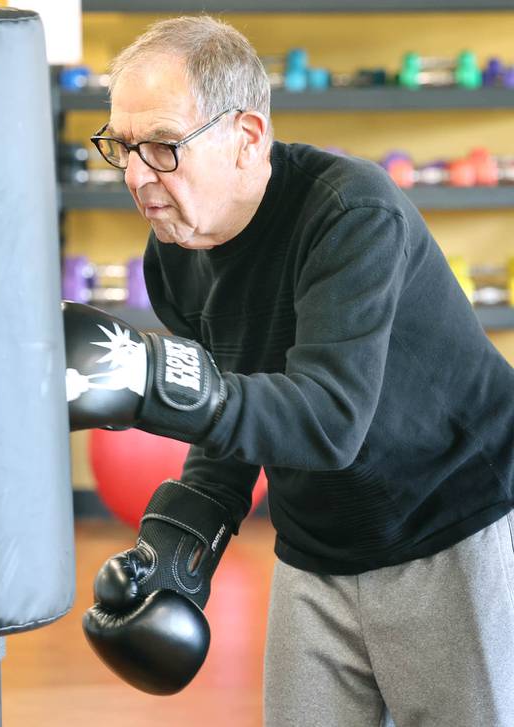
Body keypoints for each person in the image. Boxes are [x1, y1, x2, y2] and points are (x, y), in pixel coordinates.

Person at [62, 14, 514, 727]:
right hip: (316, 545)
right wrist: (181, 543)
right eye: (122, 146)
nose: (136, 174)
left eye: (161, 146)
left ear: (246, 138)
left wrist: (151, 376)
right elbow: (234, 409)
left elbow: (328, 418)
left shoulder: (351, 214)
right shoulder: (174, 255)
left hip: (450, 526)